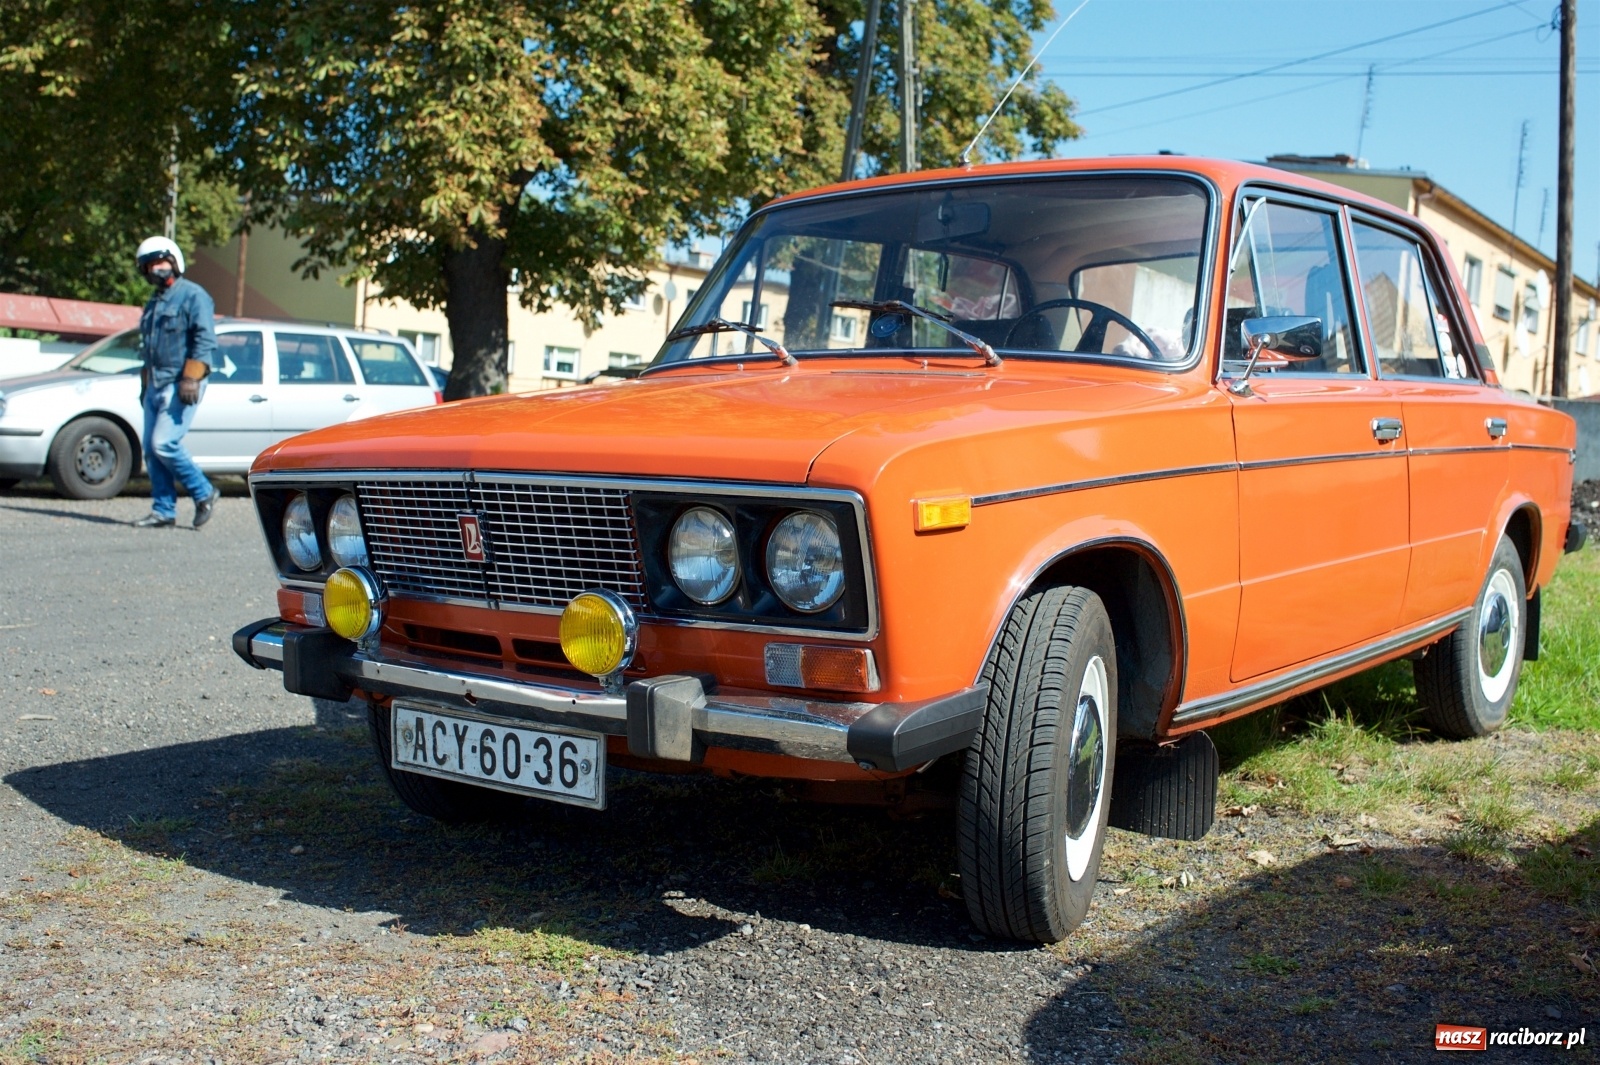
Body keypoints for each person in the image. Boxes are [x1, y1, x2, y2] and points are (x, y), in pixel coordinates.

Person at [131, 236, 219, 529]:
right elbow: (149, 348)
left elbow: (205, 339)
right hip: (154, 384)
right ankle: (163, 510)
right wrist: (145, 388)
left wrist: (191, 378)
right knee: (151, 450)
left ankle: (204, 492)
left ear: (174, 261)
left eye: (160, 261)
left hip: (181, 382)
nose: (156, 268)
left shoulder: (194, 295)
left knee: (164, 443)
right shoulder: (154, 303)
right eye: (150, 265)